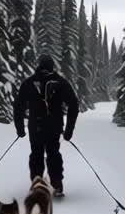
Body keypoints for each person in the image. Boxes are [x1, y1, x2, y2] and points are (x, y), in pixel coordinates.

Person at [13, 54, 79, 197]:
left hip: (35, 126)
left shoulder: (29, 83)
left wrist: (19, 129)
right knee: (53, 154)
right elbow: (74, 104)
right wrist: (69, 131)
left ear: (39, 65)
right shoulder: (61, 82)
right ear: (52, 66)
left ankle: (37, 185)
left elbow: (18, 106)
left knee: (36, 154)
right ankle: (56, 185)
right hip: (54, 127)